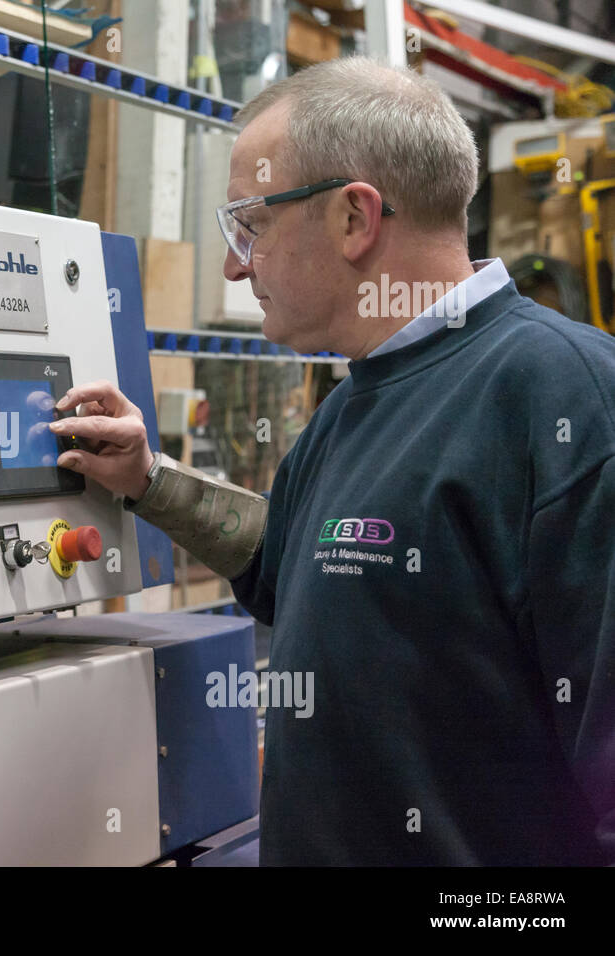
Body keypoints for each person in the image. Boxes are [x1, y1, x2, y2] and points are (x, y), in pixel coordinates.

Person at [48, 57, 615, 865]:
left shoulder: (570, 403)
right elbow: (292, 558)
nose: (235, 265)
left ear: (355, 217)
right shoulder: (354, 404)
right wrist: (147, 480)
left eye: (250, 223)